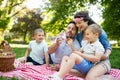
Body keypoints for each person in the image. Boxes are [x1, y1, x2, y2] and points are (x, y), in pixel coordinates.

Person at [73, 11, 112, 80]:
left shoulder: (98, 32)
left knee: (90, 78)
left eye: (79, 23)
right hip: (88, 62)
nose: (77, 25)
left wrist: (105, 55)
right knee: (68, 70)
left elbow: (108, 47)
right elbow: (81, 48)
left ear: (86, 21)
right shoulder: (79, 35)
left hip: (101, 62)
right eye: (76, 23)